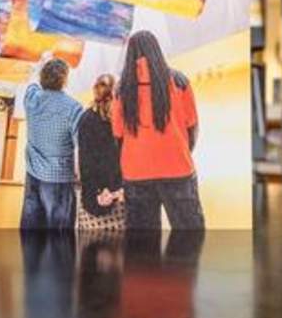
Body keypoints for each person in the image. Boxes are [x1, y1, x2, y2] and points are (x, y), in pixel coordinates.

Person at [112, 30, 204, 231]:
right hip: (178, 168)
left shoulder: (122, 89)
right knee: (189, 237)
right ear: (157, 50)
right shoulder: (179, 81)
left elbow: (117, 135)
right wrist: (181, 151)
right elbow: (192, 126)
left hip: (136, 173)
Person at [20, 56, 84, 230]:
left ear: (43, 77)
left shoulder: (32, 99)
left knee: (31, 234)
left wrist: (41, 61)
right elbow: (81, 146)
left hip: (32, 176)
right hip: (60, 179)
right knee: (58, 238)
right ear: (64, 80)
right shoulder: (74, 108)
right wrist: (80, 175)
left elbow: (32, 83)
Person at [77, 74, 124, 225]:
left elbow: (86, 162)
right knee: (119, 246)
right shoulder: (122, 118)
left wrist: (95, 192)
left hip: (94, 196)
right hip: (119, 195)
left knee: (90, 245)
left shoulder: (86, 118)